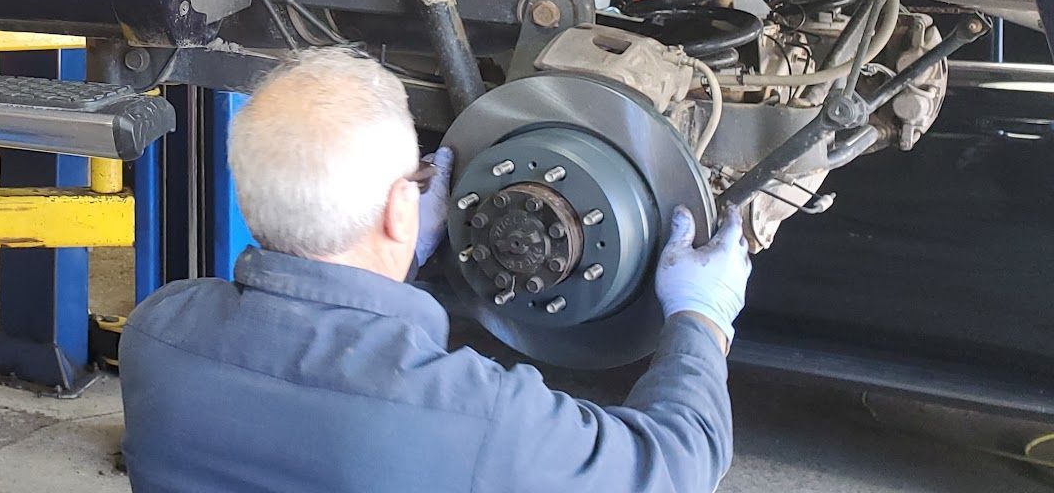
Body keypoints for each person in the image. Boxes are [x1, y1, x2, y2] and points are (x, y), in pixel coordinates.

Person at [121, 46, 750, 493]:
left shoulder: (159, 330)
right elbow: (676, 464)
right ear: (403, 208)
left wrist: (403, 255)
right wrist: (700, 315)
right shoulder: (478, 413)